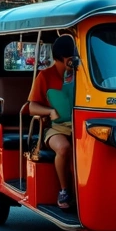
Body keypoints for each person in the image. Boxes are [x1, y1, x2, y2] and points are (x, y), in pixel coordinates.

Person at [28, 34, 77, 210]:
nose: (74, 62)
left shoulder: (79, 76)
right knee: (64, 148)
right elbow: (32, 107)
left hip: (80, 126)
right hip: (56, 128)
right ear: (63, 58)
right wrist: (50, 111)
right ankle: (64, 190)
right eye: (72, 58)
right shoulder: (45, 76)